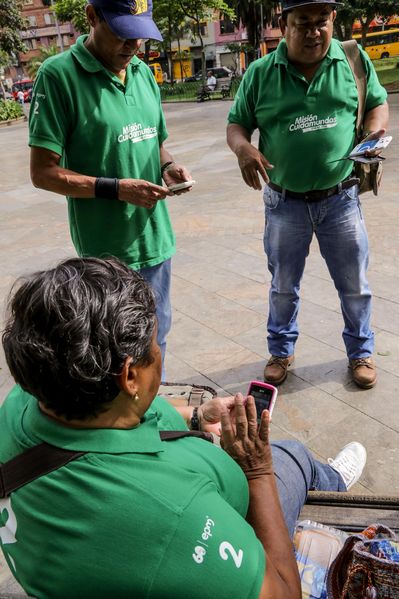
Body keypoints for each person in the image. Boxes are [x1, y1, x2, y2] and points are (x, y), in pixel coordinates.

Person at [0, 257, 367, 599]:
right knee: (293, 456)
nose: (158, 353)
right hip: (203, 533)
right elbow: (283, 594)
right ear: (129, 375)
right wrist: (256, 469)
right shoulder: (174, 520)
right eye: (154, 348)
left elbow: (133, 410)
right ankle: (331, 482)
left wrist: (195, 415)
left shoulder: (28, 401)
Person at [227, 0, 389, 390]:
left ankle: (361, 352)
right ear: (284, 25)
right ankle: (281, 350)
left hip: (341, 198)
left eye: (322, 22)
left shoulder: (352, 59)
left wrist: (374, 133)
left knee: (355, 285)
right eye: (303, 23)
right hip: (285, 203)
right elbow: (237, 124)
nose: (315, 31)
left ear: (333, 20)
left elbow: (378, 105)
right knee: (283, 285)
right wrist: (243, 149)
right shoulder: (261, 73)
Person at [28, 0, 194, 379]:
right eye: (122, 34)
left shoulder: (141, 72)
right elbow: (43, 173)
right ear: (92, 17)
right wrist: (117, 188)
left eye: (140, 36)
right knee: (114, 355)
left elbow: (155, 141)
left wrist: (169, 166)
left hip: (156, 242)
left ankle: (151, 419)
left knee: (155, 341)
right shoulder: (58, 76)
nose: (133, 46)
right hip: (105, 255)